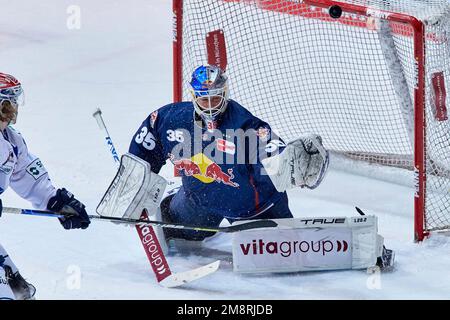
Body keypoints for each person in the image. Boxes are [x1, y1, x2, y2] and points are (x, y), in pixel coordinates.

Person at [128, 65, 329, 244]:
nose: (210, 105)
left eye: (215, 98)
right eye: (204, 100)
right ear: (193, 96)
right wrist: (138, 179)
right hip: (198, 202)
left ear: (225, 93)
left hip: (253, 209)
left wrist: (288, 161)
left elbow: (270, 149)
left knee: (282, 251)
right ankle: (176, 200)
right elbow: (148, 139)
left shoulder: (245, 125)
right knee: (173, 229)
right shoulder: (171, 118)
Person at [0, 72, 91, 300]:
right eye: (6, 104)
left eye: (13, 103)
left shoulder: (12, 141)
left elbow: (29, 179)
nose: (13, 111)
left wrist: (57, 202)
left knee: (20, 293)